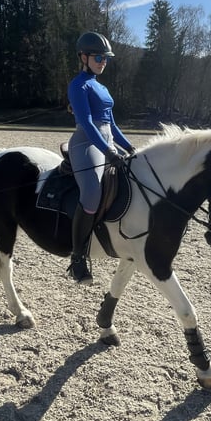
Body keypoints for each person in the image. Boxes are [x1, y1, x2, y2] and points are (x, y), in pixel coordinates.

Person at [66, 31, 135, 284]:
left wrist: (129, 147)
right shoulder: (78, 85)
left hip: (108, 143)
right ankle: (77, 258)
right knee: (92, 195)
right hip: (87, 144)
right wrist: (108, 151)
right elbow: (86, 122)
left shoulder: (102, 87)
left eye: (105, 58)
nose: (102, 62)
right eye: (98, 57)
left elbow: (112, 125)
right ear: (83, 57)